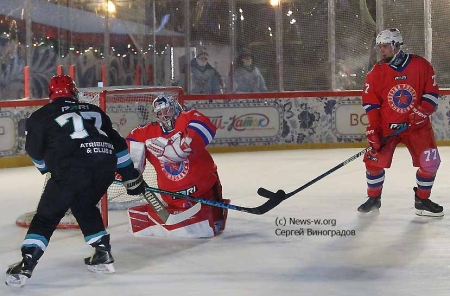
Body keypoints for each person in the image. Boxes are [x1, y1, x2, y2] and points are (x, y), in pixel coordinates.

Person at [5, 75, 145, 287]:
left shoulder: (41, 115)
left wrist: (46, 168)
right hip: (104, 167)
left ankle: (26, 263)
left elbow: (33, 149)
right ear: (74, 92)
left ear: (51, 94)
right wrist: (128, 175)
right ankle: (102, 252)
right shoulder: (94, 111)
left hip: (70, 169)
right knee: (83, 204)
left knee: (46, 217)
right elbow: (117, 144)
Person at [358, 28, 442, 217]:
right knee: (373, 163)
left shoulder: (421, 65)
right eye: (380, 47)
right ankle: (373, 198)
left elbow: (432, 93)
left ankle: (422, 200)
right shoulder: (376, 72)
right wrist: (373, 129)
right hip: (387, 128)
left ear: (396, 46)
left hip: (418, 127)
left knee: (430, 163)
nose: (382, 50)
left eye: (385, 46)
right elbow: (371, 103)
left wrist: (423, 111)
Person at [125, 95, 229, 238]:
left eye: (167, 110)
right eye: (160, 113)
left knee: (214, 223)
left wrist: (184, 146)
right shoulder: (148, 132)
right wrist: (131, 170)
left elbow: (204, 125)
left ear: (175, 108)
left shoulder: (187, 118)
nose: (164, 115)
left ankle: (210, 217)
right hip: (172, 197)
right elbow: (130, 141)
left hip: (203, 191)